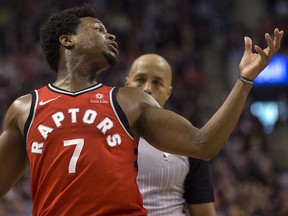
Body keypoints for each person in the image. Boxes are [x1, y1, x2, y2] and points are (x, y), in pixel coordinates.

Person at [0, 3, 284, 216]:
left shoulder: (129, 101)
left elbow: (203, 144)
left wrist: (245, 80)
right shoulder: (25, 109)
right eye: (98, 29)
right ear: (67, 40)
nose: (110, 35)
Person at [125, 53, 216, 216]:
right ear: (127, 84)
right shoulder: (103, 135)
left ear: (168, 92)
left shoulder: (186, 140)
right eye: (140, 79)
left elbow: (204, 212)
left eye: (157, 83)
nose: (147, 88)